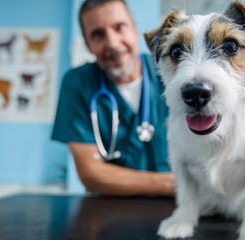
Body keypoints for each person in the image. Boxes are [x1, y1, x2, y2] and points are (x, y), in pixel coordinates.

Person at [52, 0, 174, 196]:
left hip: (182, 209)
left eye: (119, 27)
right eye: (98, 35)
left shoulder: (171, 70)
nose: (112, 43)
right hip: (111, 211)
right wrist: (175, 184)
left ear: (135, 29)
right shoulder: (77, 83)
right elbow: (91, 173)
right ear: (88, 45)